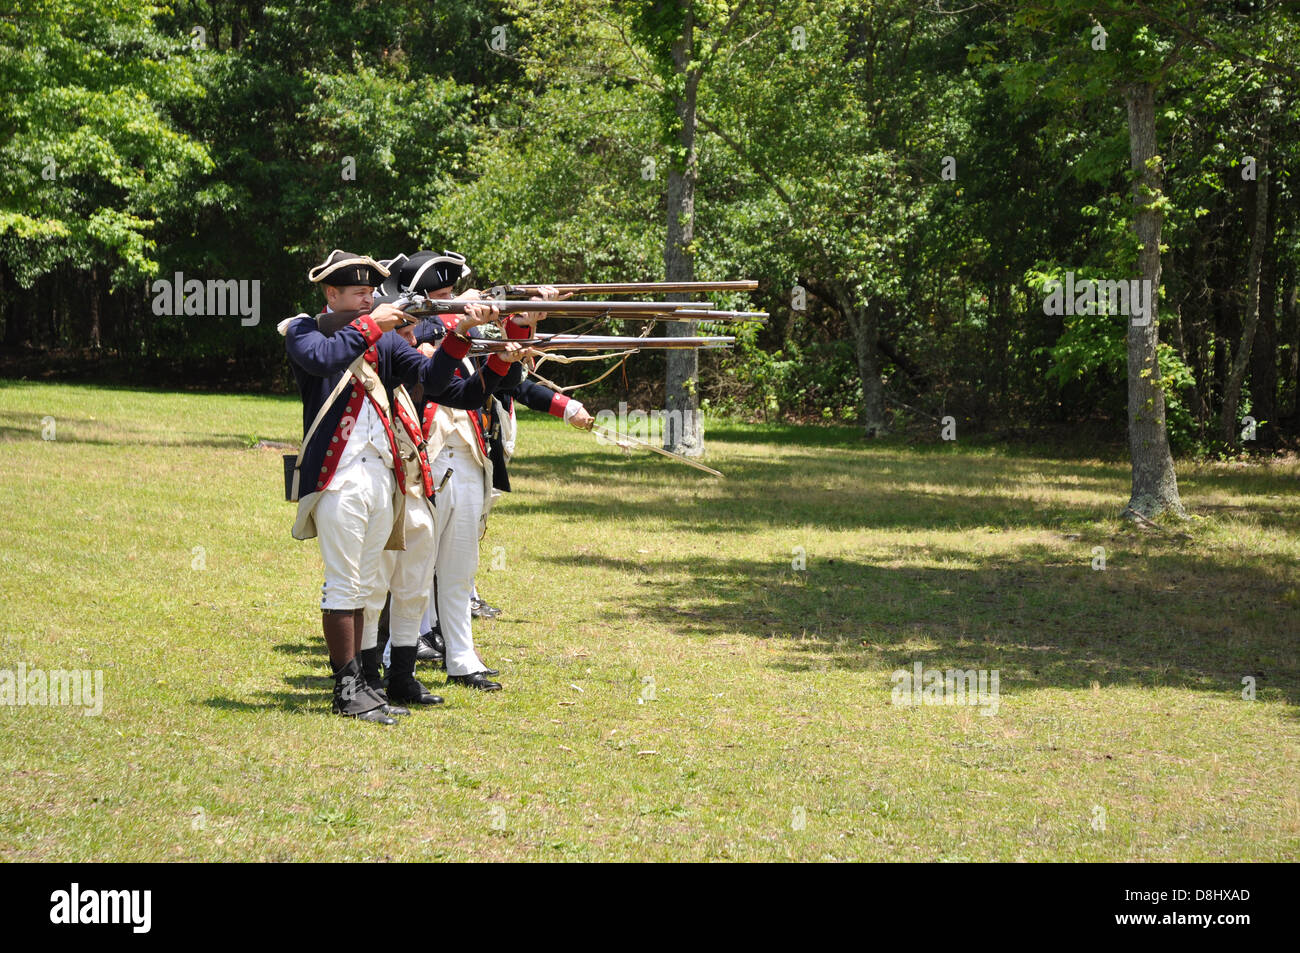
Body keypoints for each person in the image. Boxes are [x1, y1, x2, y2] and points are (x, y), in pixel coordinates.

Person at [281, 249, 527, 724]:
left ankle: (369, 682)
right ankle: (348, 689)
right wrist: (374, 323)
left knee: (370, 584)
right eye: (357, 293)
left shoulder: (386, 343)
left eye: (371, 293)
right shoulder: (305, 330)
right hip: (337, 480)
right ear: (332, 295)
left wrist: (466, 340)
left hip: (383, 480)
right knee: (345, 585)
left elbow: (446, 388)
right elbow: (321, 359)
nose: (367, 300)